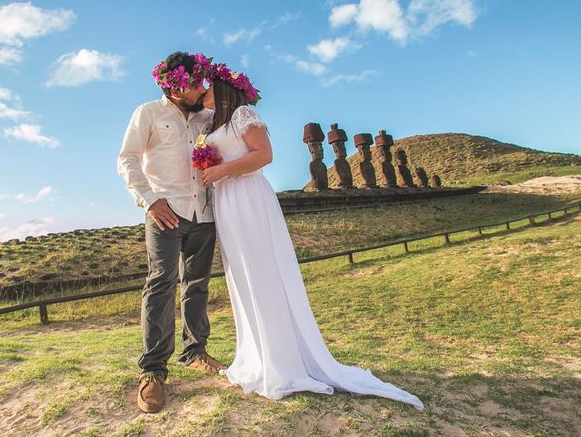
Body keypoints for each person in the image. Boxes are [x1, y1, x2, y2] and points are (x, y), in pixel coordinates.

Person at [199, 62, 424, 409]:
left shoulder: (243, 114)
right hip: (226, 202)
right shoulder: (211, 123)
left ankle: (284, 362)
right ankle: (256, 356)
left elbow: (264, 156)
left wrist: (220, 170)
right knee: (242, 275)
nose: (203, 93)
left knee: (264, 273)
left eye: (208, 88)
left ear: (223, 89)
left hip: (247, 196)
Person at [117, 52, 226, 414]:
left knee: (197, 283)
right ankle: (152, 371)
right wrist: (148, 201)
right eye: (196, 83)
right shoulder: (148, 112)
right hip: (165, 213)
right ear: (176, 87)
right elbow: (127, 159)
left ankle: (195, 351)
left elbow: (240, 108)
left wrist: (214, 96)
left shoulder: (208, 117)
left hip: (205, 211)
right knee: (161, 282)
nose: (202, 88)